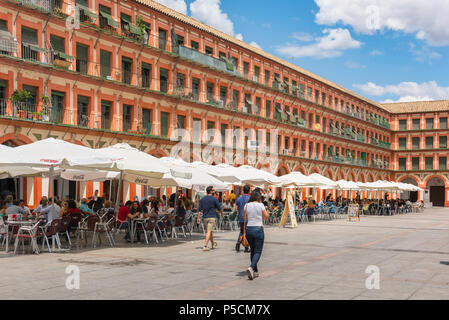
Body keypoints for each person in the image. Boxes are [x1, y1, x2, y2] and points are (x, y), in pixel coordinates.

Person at [244, 191, 268, 280]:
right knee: (258, 251)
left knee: (253, 250)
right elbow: (266, 216)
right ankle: (251, 267)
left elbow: (245, 218)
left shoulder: (246, 205)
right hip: (258, 228)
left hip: (249, 229)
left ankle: (255, 271)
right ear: (258, 197)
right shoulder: (260, 205)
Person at [198, 186, 222, 251]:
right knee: (209, 231)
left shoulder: (202, 199)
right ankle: (205, 246)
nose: (214, 191)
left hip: (205, 217)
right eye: (213, 190)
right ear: (211, 191)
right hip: (212, 217)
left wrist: (198, 218)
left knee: (210, 231)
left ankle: (213, 244)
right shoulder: (214, 199)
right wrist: (222, 214)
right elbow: (219, 208)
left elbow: (199, 210)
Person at [235, 185, 250, 252]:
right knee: (247, 232)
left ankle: (239, 241)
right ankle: (246, 247)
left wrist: (239, 213)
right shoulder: (250, 199)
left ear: (243, 190)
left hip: (241, 218)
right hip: (247, 218)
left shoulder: (239, 198)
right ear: (249, 191)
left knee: (242, 231)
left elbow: (236, 209)